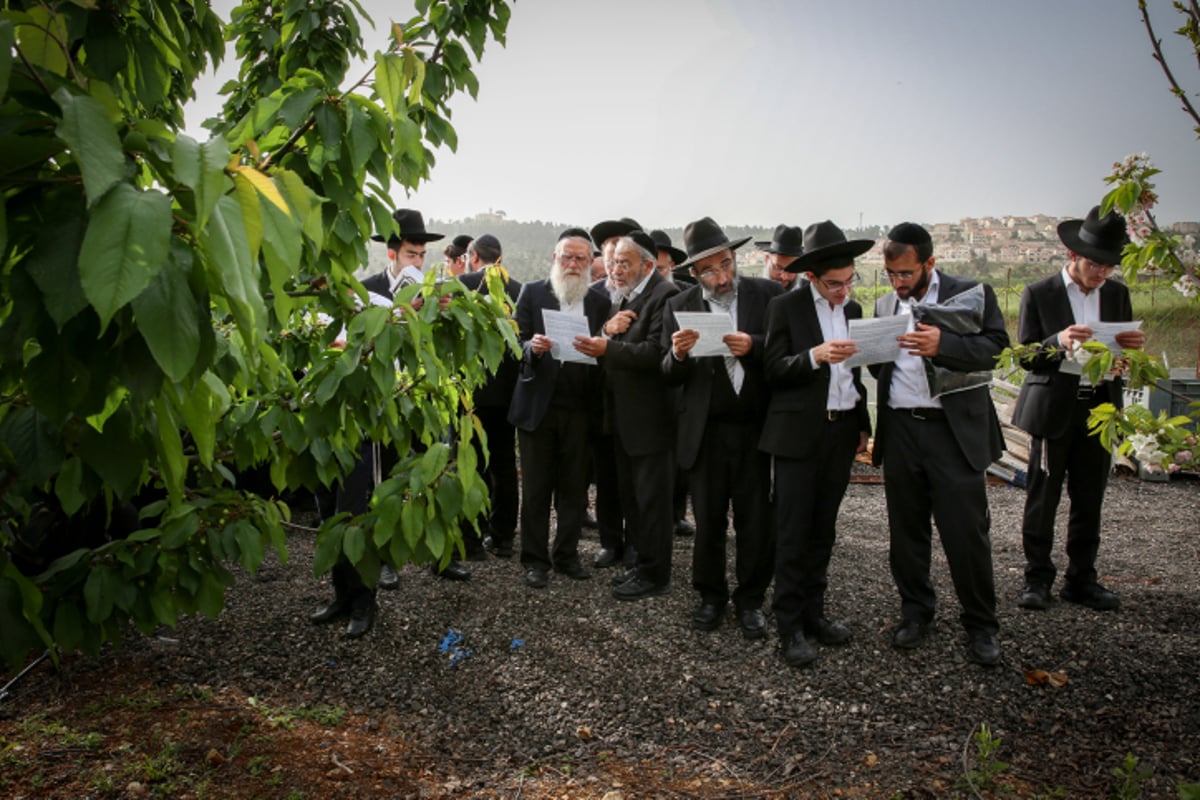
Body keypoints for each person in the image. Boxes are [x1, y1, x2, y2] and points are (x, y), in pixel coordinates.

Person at [871, 222, 1009, 667]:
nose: (898, 283)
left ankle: (982, 625)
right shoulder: (884, 304)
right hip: (901, 430)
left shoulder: (973, 293)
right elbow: (880, 370)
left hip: (953, 433)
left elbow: (997, 350)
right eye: (892, 274)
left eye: (906, 274)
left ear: (930, 263)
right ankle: (915, 614)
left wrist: (943, 344)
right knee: (906, 533)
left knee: (966, 535)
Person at [312, 208, 445, 634]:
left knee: (364, 506)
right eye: (410, 253)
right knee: (334, 508)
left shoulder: (428, 298)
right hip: (345, 414)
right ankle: (341, 594)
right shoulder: (363, 291)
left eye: (422, 255)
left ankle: (364, 604)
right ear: (391, 253)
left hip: (389, 418)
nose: (417, 262)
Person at [1012, 206, 1146, 612]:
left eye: (1109, 266)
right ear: (1073, 256)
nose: (1101, 273)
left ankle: (1081, 579)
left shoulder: (1118, 295)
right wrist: (1058, 340)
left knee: (1090, 499)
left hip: (1101, 408)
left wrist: (1128, 359)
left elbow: (1121, 352)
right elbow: (1026, 357)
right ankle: (1037, 579)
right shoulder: (1039, 293)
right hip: (1055, 410)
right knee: (1043, 498)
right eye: (1095, 264)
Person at [662, 217, 782, 638]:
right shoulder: (678, 305)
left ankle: (751, 601)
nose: (722, 275)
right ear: (694, 273)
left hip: (755, 430)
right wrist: (676, 355)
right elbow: (667, 374)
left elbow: (784, 354)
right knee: (709, 522)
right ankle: (710, 596)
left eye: (727, 263)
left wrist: (754, 345)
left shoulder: (769, 294)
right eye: (710, 269)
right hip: (706, 433)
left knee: (755, 522)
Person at [759, 221, 872, 666]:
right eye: (834, 284)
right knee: (792, 532)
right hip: (796, 434)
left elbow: (857, 374)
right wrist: (814, 356)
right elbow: (772, 369)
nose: (843, 290)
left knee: (824, 530)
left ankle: (815, 614)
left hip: (841, 431)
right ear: (811, 277)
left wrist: (862, 421)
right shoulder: (785, 308)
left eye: (849, 281)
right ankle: (789, 627)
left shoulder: (856, 311)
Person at [576, 231, 679, 600]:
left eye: (624, 263)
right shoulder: (621, 297)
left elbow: (655, 353)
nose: (615, 270)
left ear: (648, 266)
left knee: (652, 502)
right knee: (633, 499)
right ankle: (641, 566)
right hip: (622, 417)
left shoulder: (665, 296)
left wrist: (607, 348)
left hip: (651, 420)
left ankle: (656, 574)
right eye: (614, 262)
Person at [509, 229, 611, 587]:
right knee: (536, 488)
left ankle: (566, 555)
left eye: (580, 258)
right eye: (566, 256)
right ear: (555, 258)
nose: (572, 263)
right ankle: (535, 560)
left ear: (590, 263)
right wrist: (531, 347)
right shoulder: (533, 292)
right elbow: (515, 343)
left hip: (581, 408)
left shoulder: (599, 301)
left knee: (574, 488)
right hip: (539, 405)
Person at [459, 234, 522, 567]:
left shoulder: (463, 285)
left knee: (472, 466)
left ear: (473, 256)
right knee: (504, 465)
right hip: (509, 392)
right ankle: (504, 536)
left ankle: (471, 536)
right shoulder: (520, 288)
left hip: (472, 393)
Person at [586, 217, 642, 568]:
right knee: (605, 474)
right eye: (610, 255)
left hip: (636, 400)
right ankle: (610, 541)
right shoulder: (591, 295)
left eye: (623, 257)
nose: (616, 263)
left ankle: (637, 542)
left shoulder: (647, 294)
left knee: (635, 478)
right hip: (599, 397)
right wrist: (605, 330)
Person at [756, 224, 805, 291]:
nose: (784, 277)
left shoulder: (811, 293)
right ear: (767, 259)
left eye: (791, 270)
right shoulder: (753, 294)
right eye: (778, 268)